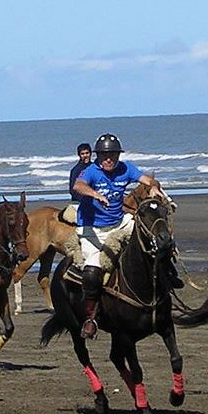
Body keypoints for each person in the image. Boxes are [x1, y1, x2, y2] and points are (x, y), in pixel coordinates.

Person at [70, 134, 160, 339]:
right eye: (103, 155)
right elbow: (79, 186)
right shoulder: (91, 171)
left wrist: (153, 187)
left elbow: (146, 179)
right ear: (98, 156)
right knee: (92, 271)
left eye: (112, 155)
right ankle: (90, 317)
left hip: (119, 223)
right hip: (93, 229)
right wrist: (95, 195)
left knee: (151, 236)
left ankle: (167, 276)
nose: (108, 159)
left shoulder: (126, 168)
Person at [63, 142, 93, 224]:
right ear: (79, 155)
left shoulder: (95, 168)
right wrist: (86, 201)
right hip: (79, 203)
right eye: (82, 154)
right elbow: (72, 190)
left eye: (87, 153)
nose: (85, 155)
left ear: (90, 153)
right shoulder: (76, 170)